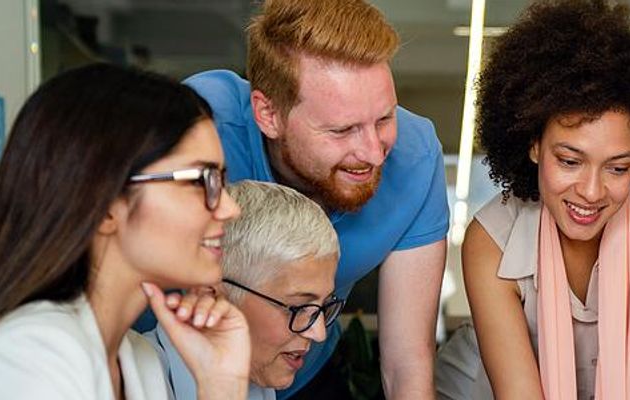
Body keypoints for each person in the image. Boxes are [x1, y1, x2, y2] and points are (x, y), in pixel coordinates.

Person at [147, 0, 450, 397]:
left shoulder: (414, 155)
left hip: (292, 376)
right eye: (342, 130)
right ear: (268, 115)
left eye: (384, 119)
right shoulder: (203, 129)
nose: (375, 153)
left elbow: (407, 360)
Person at [0, 64, 250, 399]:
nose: (230, 208)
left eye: (222, 181)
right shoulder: (31, 354)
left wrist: (222, 385)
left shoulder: (138, 360)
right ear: (106, 204)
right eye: (203, 180)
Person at [451, 1, 630, 398]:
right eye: (570, 161)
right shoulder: (490, 240)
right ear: (534, 144)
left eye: (618, 168)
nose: (591, 192)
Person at [147, 180, 342, 400]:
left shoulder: (258, 382)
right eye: (298, 308)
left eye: (324, 306)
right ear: (210, 295)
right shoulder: (130, 383)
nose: (319, 333)